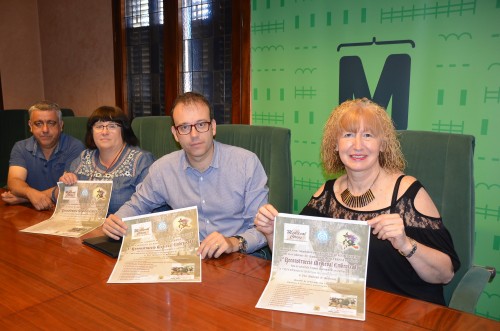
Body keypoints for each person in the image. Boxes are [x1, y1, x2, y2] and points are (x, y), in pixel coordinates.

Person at [254, 98, 460, 305]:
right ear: (335, 144)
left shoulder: (409, 193)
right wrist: (272, 233)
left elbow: (445, 274)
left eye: (368, 135)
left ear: (383, 144)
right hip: (343, 308)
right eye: (348, 135)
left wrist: (406, 244)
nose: (358, 145)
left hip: (405, 312)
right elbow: (297, 262)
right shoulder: (325, 195)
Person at [103, 92, 270, 259]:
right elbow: (137, 206)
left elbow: (262, 228)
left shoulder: (246, 163)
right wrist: (117, 220)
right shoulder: (163, 169)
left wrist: (233, 242)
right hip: (186, 258)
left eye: (201, 124)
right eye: (184, 127)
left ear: (213, 127)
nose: (194, 134)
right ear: (175, 134)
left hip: (237, 259)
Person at [58, 106, 155, 214]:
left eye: (112, 126)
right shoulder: (84, 157)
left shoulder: (141, 161)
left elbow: (152, 206)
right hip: (86, 226)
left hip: (122, 228)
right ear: (92, 132)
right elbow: (65, 200)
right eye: (99, 126)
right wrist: (66, 183)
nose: (104, 132)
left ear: (123, 130)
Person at [1, 101, 85, 210]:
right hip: (31, 212)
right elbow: (14, 180)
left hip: (64, 209)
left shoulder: (75, 147)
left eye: (51, 123)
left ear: (61, 125)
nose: (45, 130)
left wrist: (26, 198)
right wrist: (30, 194)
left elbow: (69, 188)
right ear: (30, 126)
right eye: (38, 123)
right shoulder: (20, 147)